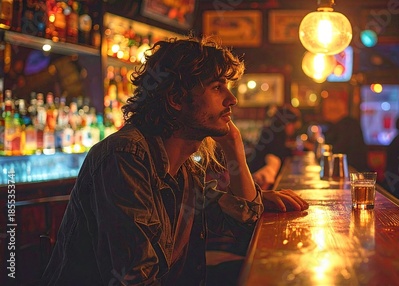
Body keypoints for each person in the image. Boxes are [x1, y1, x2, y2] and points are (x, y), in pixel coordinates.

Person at [41, 37, 307, 285]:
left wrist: (233, 144)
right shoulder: (124, 158)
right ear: (176, 98)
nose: (232, 99)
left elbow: (245, 222)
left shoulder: (185, 170)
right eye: (217, 87)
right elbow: (136, 278)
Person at [247, 105, 302, 190]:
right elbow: (276, 155)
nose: (293, 129)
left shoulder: (271, 130)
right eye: (293, 125)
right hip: (258, 178)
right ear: (287, 123)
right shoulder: (278, 134)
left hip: (253, 173)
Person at [320, 94, 369, 172]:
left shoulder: (347, 125)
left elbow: (339, 149)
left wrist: (320, 150)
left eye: (327, 109)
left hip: (352, 172)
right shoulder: (340, 124)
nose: (324, 113)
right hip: (347, 170)